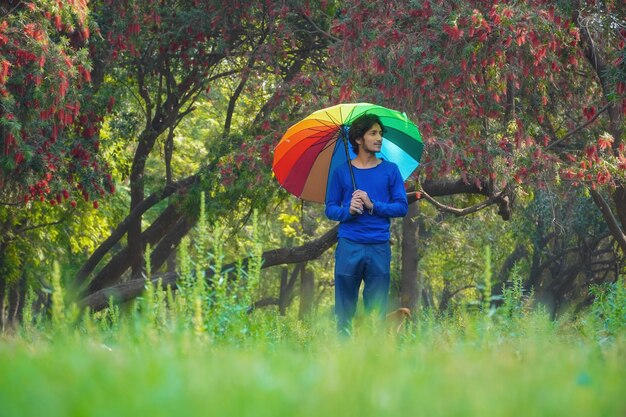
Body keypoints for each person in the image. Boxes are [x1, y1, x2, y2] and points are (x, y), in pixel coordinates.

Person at [325, 113, 408, 336]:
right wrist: (348, 211)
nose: (379, 138)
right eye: (373, 133)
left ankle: (374, 357)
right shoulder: (342, 172)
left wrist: (373, 205)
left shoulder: (391, 170)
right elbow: (330, 208)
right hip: (349, 245)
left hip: (379, 247)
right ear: (359, 139)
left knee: (376, 310)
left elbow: (402, 207)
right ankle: (344, 357)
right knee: (344, 310)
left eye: (380, 133)